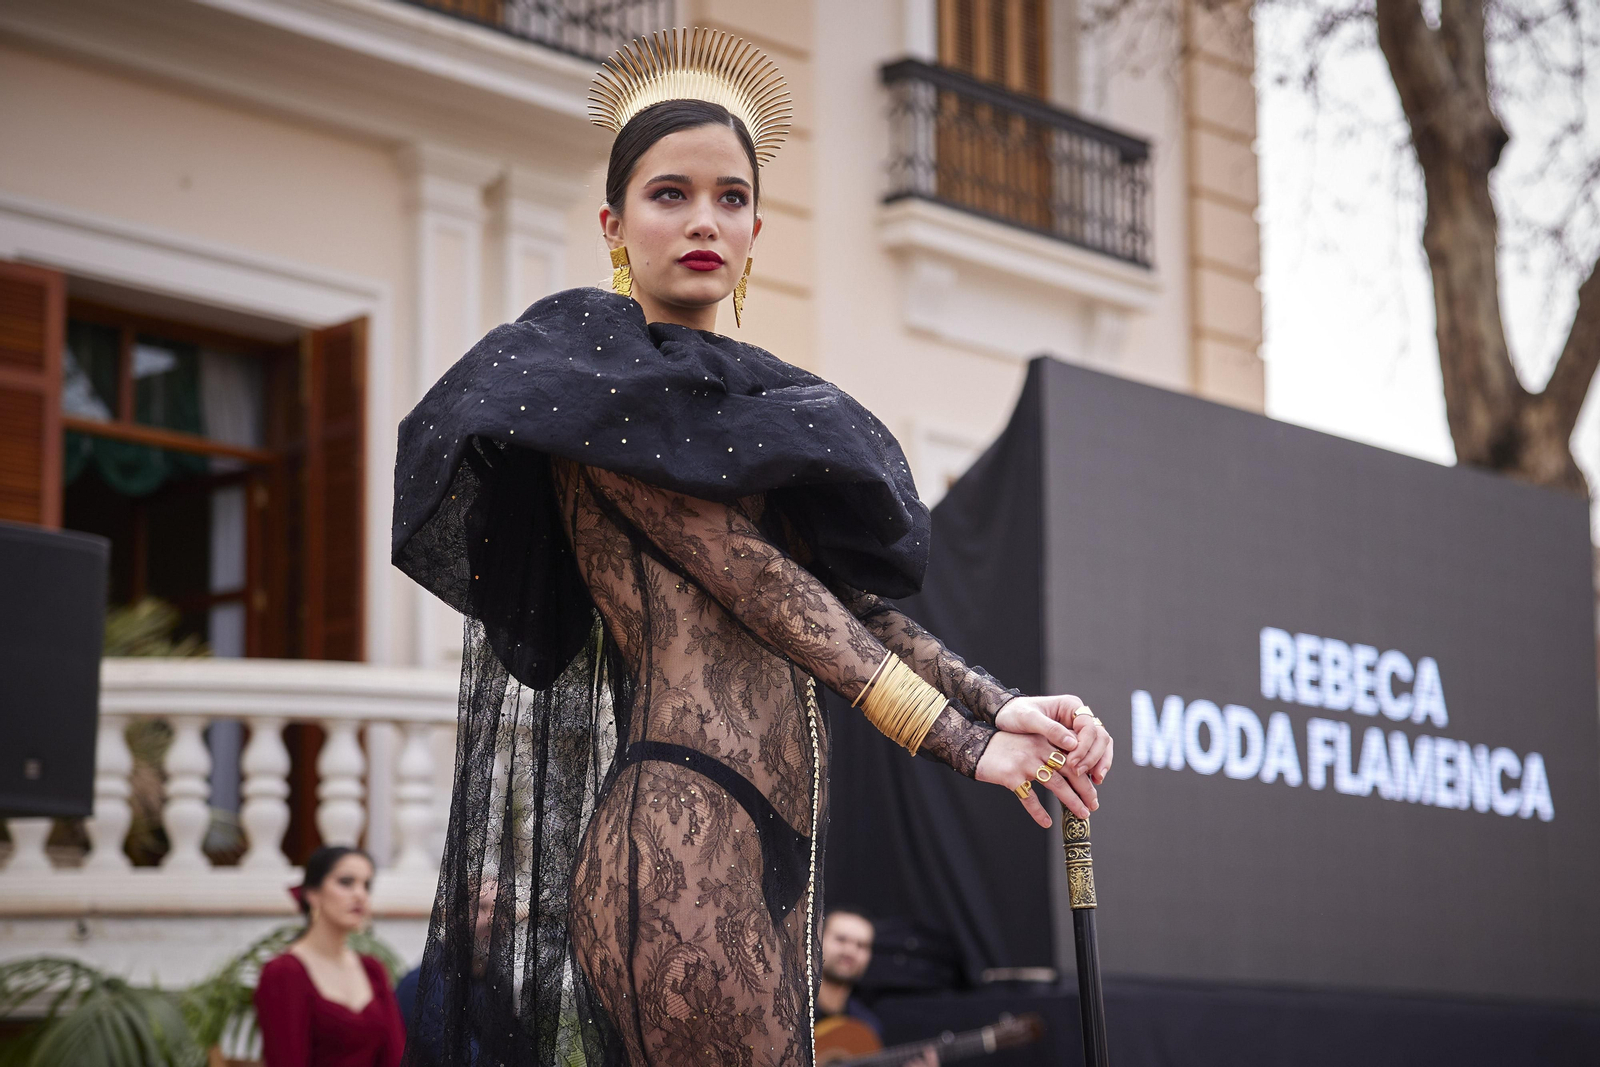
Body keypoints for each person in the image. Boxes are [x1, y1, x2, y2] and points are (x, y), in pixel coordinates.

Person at [389, 26, 1115, 1067]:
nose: (702, 220)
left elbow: (846, 605)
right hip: (675, 832)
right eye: (668, 193)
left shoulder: (754, 414)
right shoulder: (595, 396)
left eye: (730, 197)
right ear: (612, 221)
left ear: (757, 229)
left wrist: (1002, 702)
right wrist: (960, 743)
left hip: (766, 842)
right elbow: (762, 584)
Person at [254, 846, 406, 1067]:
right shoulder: (284, 972)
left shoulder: (372, 969)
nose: (360, 894)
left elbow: (396, 1057)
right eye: (346, 882)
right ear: (312, 894)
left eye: (366, 885)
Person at [816, 908, 936, 1067]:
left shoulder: (867, 1026)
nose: (850, 951)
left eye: (861, 945)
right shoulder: (787, 1008)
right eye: (841, 939)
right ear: (817, 940)